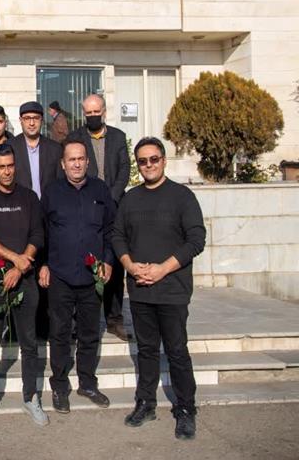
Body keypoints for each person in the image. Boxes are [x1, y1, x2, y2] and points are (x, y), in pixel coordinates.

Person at [113, 136, 206, 440]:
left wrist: (162, 269)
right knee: (147, 350)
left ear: (163, 160)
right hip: (140, 289)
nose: (149, 165)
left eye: (154, 159)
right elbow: (117, 236)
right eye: (142, 161)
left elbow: (196, 240)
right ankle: (146, 403)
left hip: (172, 290)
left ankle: (186, 409)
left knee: (177, 351)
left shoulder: (182, 197)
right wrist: (129, 265)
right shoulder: (130, 199)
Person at [39, 137, 116, 415]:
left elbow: (110, 230)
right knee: (59, 333)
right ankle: (60, 386)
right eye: (71, 159)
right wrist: (43, 264)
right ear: (63, 163)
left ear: (87, 161)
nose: (76, 164)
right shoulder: (52, 192)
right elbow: (42, 232)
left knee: (89, 332)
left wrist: (108, 261)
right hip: (60, 275)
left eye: (81, 159)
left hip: (92, 276)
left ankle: (87, 383)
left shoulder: (100, 190)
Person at [0, 145, 48, 427]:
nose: (7, 172)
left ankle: (31, 397)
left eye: (10, 166)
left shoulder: (29, 197)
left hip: (25, 279)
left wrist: (19, 267)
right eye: (1, 167)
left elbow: (38, 235)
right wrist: (13, 259)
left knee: (29, 342)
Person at [69, 94, 132, 341]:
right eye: (88, 113)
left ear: (104, 111)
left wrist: (111, 197)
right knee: (85, 262)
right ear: (83, 113)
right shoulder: (76, 138)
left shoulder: (118, 137)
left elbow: (125, 169)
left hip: (114, 206)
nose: (93, 116)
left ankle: (114, 319)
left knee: (114, 262)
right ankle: (81, 320)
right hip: (87, 207)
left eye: (97, 112)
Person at [9, 101, 63, 200]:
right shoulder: (10, 147)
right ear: (21, 120)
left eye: (36, 118)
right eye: (27, 118)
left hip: (48, 206)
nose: (32, 123)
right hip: (19, 205)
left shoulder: (55, 149)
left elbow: (60, 183)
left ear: (42, 120)